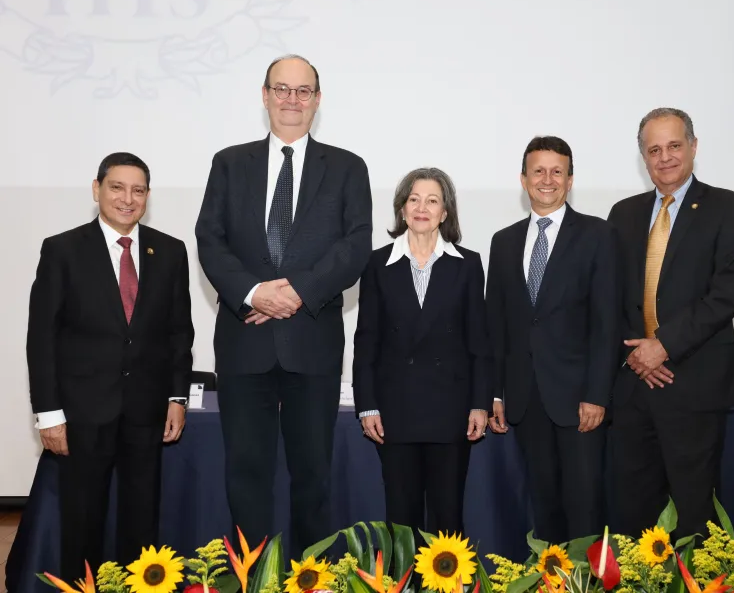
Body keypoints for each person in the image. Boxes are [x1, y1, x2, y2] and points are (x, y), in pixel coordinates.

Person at [195, 54, 372, 557]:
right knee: (245, 473)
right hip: (243, 342)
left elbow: (355, 246)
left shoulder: (347, 167)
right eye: (282, 89)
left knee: (312, 474)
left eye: (303, 91)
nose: (291, 100)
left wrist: (294, 291)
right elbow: (210, 239)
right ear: (265, 94)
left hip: (311, 342)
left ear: (317, 100)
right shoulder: (229, 162)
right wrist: (255, 293)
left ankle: (308, 579)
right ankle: (252, 575)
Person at [26, 152, 194, 582]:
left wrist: (176, 397)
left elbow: (179, 333)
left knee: (142, 525)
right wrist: (48, 414)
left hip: (146, 412)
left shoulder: (170, 252)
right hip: (82, 412)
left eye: (138, 190)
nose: (127, 198)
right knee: (81, 524)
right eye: (117, 187)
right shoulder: (62, 249)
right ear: (97, 188)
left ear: (148, 196)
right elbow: (41, 338)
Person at [607, 108, 734, 539]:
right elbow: (608, 298)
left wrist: (662, 346)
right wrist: (636, 354)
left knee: (695, 519)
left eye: (673, 145)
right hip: (634, 389)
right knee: (634, 520)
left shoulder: (726, 206)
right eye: (654, 149)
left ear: (693, 146)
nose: (664, 157)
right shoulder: (623, 214)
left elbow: (726, 294)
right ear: (643, 157)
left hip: (694, 386)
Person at [486, 136, 620, 543]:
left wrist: (597, 394)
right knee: (544, 511)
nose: (548, 180)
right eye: (538, 171)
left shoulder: (598, 235)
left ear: (570, 179)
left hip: (579, 401)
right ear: (523, 180)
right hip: (526, 401)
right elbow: (497, 325)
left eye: (557, 171)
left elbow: (607, 322)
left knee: (585, 509)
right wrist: (494, 394)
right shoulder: (503, 241)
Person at [353, 167, 490, 543]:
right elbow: (366, 342)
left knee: (448, 519)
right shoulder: (376, 264)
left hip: (451, 411)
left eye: (432, 200)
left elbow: (479, 342)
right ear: (401, 209)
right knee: (401, 521)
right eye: (413, 199)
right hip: (395, 412)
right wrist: (367, 406)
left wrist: (480, 403)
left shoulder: (468, 263)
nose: (421, 207)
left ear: (446, 212)